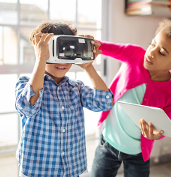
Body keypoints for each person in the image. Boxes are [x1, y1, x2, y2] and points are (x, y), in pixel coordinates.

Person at [90, 19, 171, 177]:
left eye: (162, 52)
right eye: (152, 44)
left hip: (138, 155)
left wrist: (157, 134)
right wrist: (88, 44)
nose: (151, 52)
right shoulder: (134, 55)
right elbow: (99, 46)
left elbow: (163, 127)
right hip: (107, 143)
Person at [15, 21, 113, 177]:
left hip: (70, 168)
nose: (63, 62)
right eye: (55, 53)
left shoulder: (76, 88)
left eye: (67, 53)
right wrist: (41, 59)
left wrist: (88, 66)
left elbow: (105, 102)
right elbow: (28, 106)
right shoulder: (25, 84)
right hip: (37, 169)